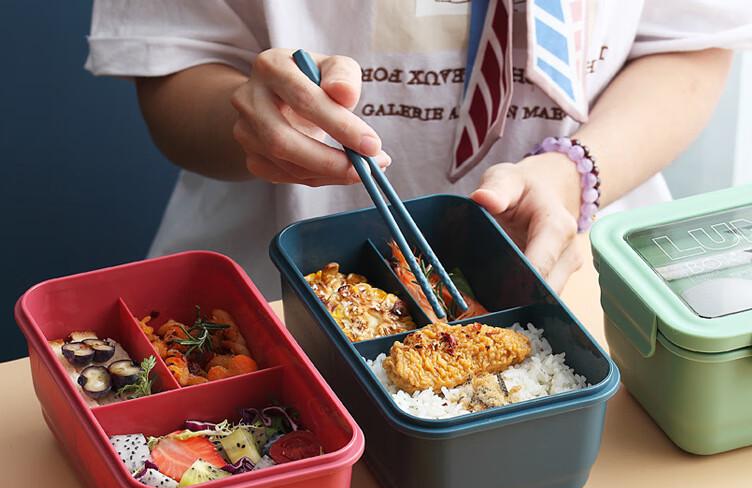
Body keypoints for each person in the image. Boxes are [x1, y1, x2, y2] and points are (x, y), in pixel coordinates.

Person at [86, 1, 751, 297]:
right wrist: (255, 126)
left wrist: (573, 175)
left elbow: (690, 45)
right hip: (274, 296)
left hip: (586, 286)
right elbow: (173, 66)